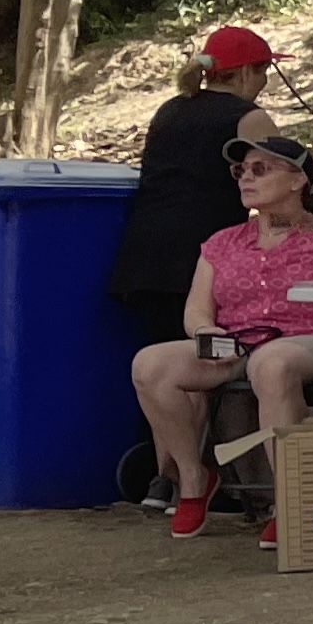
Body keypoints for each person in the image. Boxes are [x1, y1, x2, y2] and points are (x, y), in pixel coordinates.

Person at [131, 131, 313, 547]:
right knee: (149, 365)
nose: (246, 178)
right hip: (240, 345)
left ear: (298, 179)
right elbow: (196, 310)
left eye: (260, 169)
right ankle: (193, 477)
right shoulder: (223, 242)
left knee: (272, 363)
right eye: (240, 170)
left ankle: (289, 502)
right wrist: (207, 332)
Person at [109, 25, 278, 378]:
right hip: (200, 259)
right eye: (263, 71)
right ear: (246, 71)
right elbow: (276, 182)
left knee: (161, 370)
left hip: (143, 257)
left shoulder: (170, 109)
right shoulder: (248, 118)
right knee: (202, 371)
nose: (265, 82)